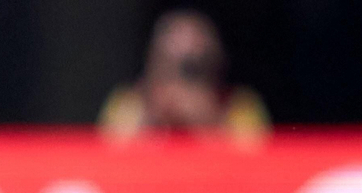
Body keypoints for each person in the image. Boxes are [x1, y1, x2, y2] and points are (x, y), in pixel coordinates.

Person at [98, 9, 269, 142]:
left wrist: (209, 121)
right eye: (171, 65)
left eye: (192, 69)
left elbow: (257, 162)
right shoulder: (128, 102)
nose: (181, 84)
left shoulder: (241, 106)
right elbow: (109, 157)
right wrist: (151, 118)